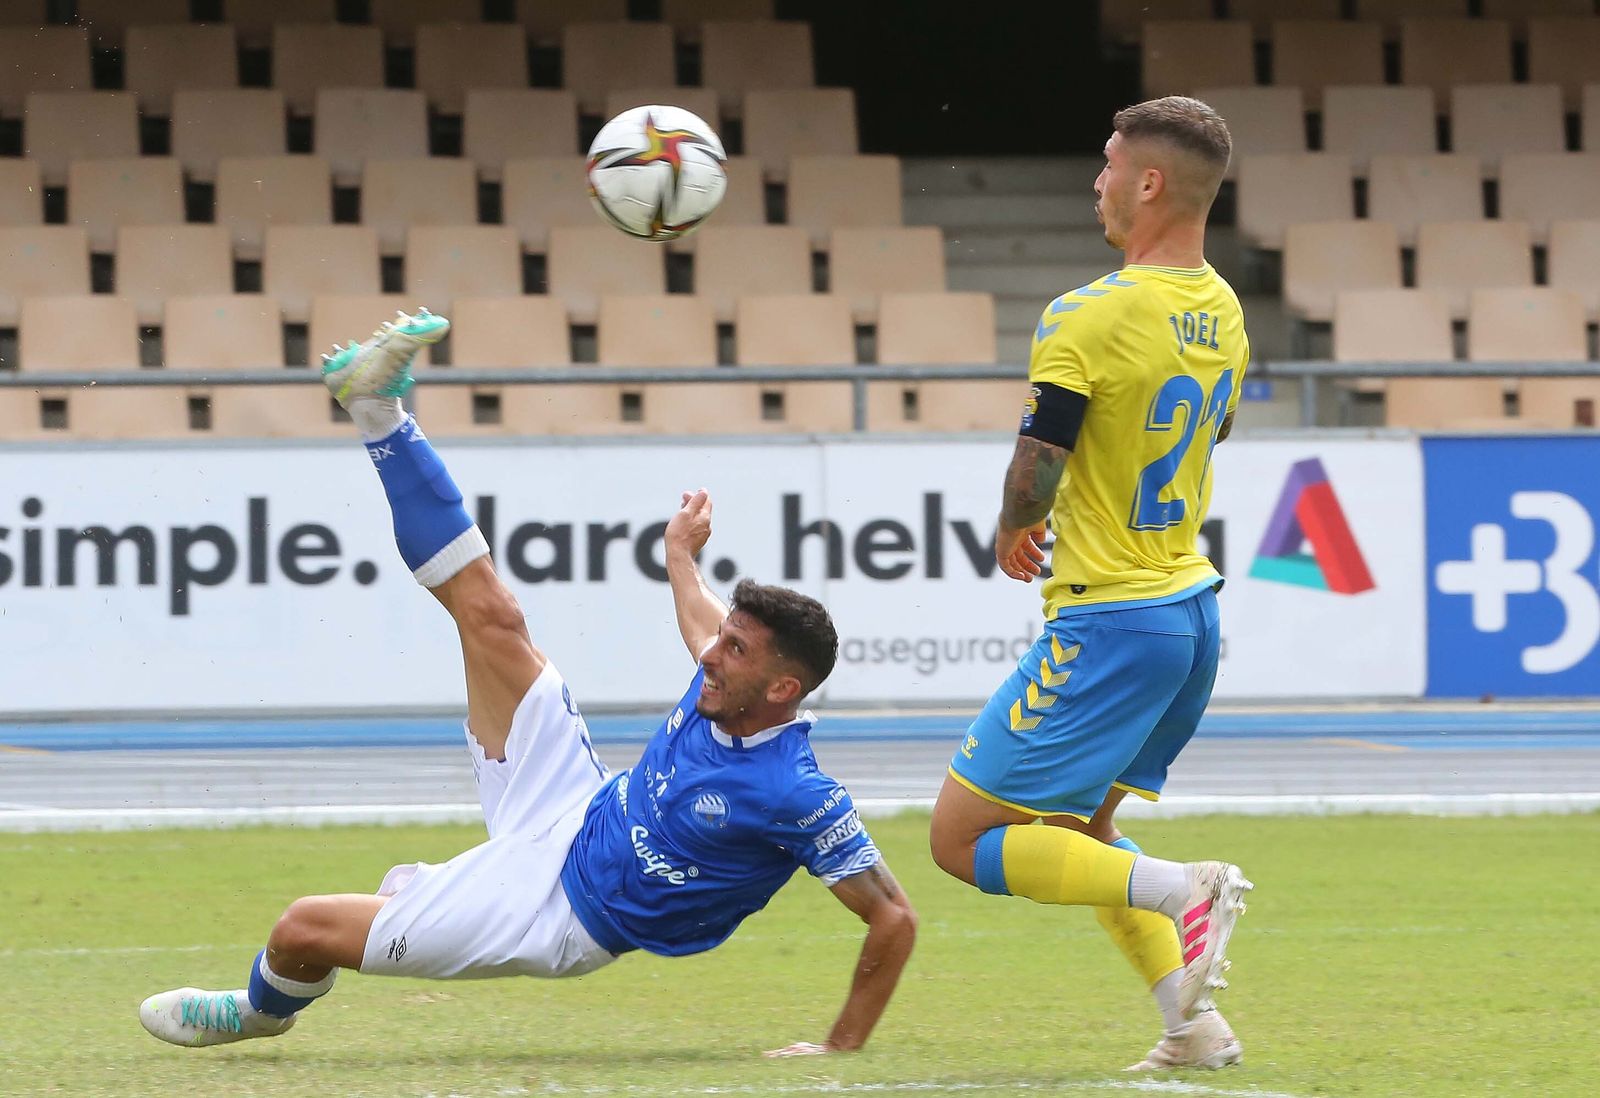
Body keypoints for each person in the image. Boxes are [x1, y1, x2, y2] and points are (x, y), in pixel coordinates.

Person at [140, 309, 916, 1057]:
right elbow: (699, 622)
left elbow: (893, 919)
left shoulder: (797, 794)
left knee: (303, 929)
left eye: (736, 651)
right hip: (576, 800)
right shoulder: (726, 679)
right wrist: (680, 554)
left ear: (783, 690)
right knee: (494, 614)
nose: (710, 657)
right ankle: (377, 408)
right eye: (722, 642)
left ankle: (257, 1013)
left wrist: (835, 1049)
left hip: (562, 914)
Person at [927, 97, 1254, 1072]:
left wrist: (1014, 522)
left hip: (1110, 618)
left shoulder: (1088, 313)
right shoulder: (1224, 307)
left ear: (1150, 183)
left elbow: (1039, 462)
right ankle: (1191, 1029)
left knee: (960, 839)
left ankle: (1182, 891)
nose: (1098, 182)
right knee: (1080, 830)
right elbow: (1216, 431)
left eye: (1109, 166)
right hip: (1188, 616)